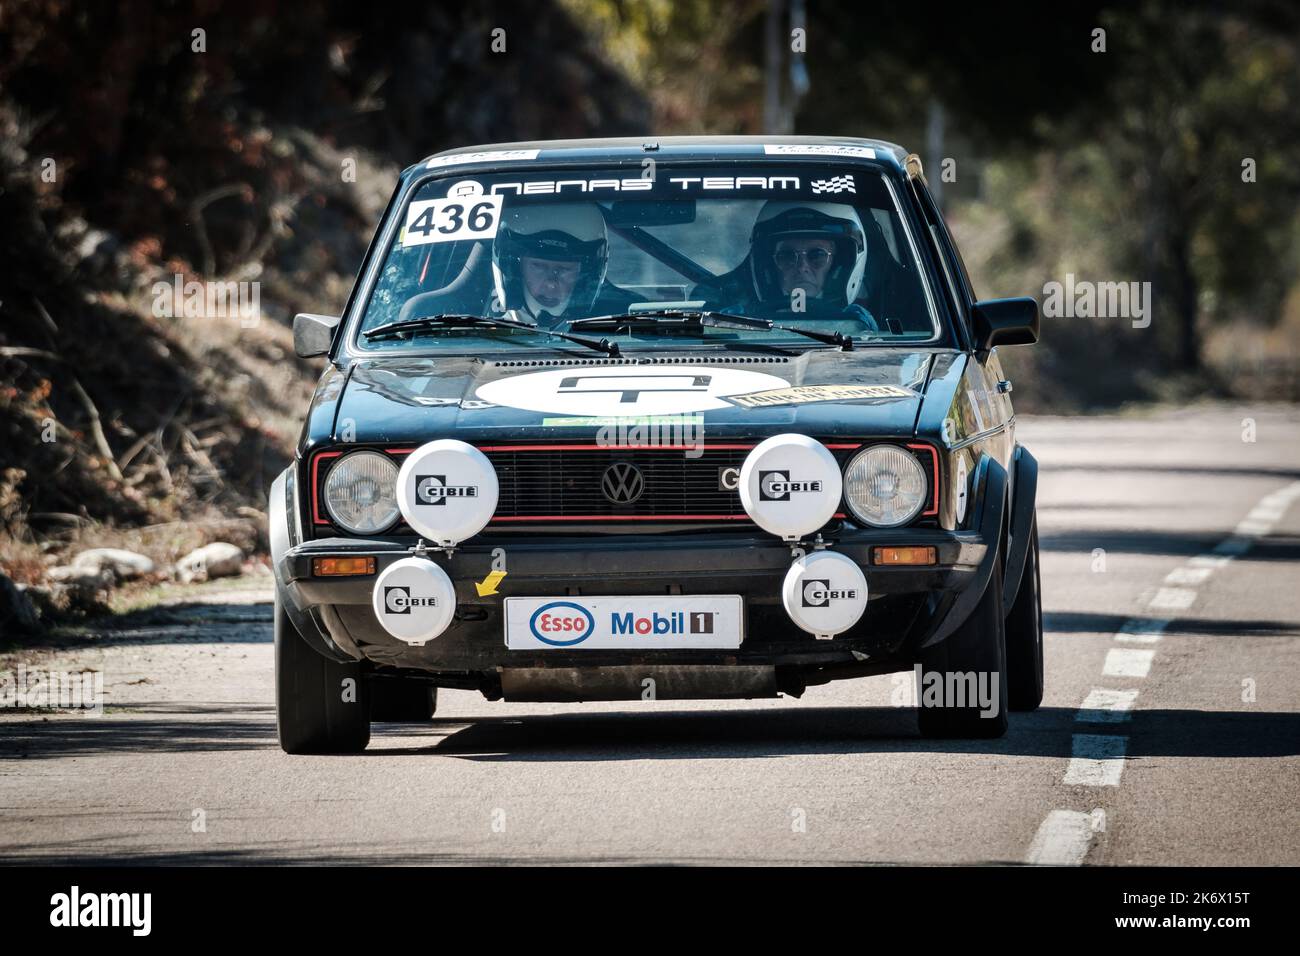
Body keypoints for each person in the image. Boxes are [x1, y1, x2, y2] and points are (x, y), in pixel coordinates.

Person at [700, 200, 879, 329]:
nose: (802, 267)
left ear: (838, 263)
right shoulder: (733, 320)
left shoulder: (862, 324)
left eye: (817, 255)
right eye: (786, 255)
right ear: (769, 265)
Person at [490, 203, 631, 327]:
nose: (551, 283)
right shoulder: (475, 319)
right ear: (514, 268)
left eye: (564, 269)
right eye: (539, 267)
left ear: (586, 273)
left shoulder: (627, 319)